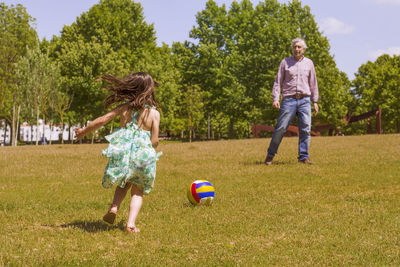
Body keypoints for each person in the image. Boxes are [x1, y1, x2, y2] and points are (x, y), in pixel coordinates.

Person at [75, 72, 162, 233]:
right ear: (149, 90)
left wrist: (83, 132)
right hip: (144, 156)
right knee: (137, 190)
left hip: (125, 154)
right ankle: (130, 225)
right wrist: (150, 147)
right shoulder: (154, 114)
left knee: (123, 184)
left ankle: (114, 207)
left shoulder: (124, 108)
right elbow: (155, 140)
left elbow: (102, 120)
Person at [265, 37, 319, 165]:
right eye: (294, 47)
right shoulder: (285, 62)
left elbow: (313, 83)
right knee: (281, 128)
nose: (296, 49)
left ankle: (304, 157)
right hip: (288, 100)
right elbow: (278, 81)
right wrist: (275, 98)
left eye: (299, 47)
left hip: (305, 100)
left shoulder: (309, 63)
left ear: (304, 49)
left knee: (305, 128)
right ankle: (270, 155)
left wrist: (315, 101)